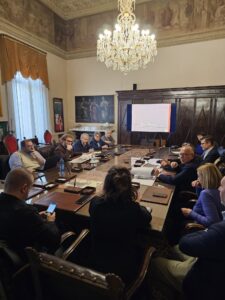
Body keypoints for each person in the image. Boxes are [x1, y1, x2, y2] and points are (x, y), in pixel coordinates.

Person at [150, 176, 225, 300]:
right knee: (174, 248)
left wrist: (207, 231)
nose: (218, 188)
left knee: (154, 264)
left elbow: (186, 244)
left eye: (222, 186)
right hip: (210, 260)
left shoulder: (220, 230)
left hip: (205, 279)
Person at [89, 166, 152, 284]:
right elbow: (147, 218)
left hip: (97, 257)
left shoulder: (95, 202)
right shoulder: (133, 208)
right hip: (125, 265)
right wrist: (137, 204)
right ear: (129, 186)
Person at [0, 168, 61, 259]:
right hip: (29, 258)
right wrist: (50, 221)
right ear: (24, 188)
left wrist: (36, 218)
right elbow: (53, 240)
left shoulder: (27, 213)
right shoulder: (27, 212)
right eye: (30, 188)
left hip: (6, 257)